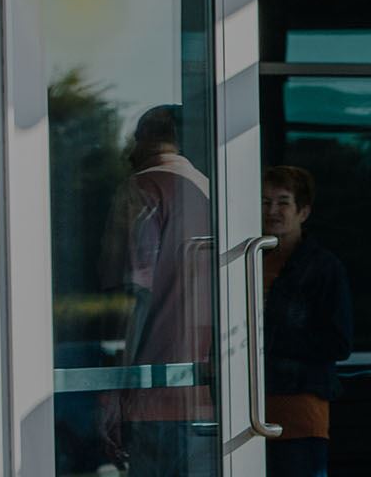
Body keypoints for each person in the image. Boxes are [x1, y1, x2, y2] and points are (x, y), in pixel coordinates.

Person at [98, 104, 217, 476]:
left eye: (134, 138)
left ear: (147, 139)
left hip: (154, 394)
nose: (129, 150)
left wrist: (114, 392)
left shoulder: (143, 188)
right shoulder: (212, 191)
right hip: (206, 395)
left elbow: (134, 296)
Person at [259, 165, 353, 476]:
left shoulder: (323, 268)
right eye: (264, 202)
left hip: (300, 415)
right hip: (247, 414)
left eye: (283, 202)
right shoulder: (245, 258)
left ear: (303, 212)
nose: (272, 211)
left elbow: (338, 342)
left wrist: (267, 337)